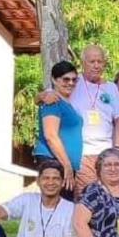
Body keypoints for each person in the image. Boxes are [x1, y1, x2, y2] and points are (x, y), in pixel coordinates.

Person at [39, 46, 119, 197]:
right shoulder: (73, 82)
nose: (96, 65)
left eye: (100, 61)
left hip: (107, 152)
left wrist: (118, 149)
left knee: (108, 195)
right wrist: (41, 97)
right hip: (83, 153)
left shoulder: (111, 87)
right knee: (86, 196)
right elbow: (48, 95)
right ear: (83, 62)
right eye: (92, 61)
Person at [34, 61, 84, 196]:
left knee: (64, 209)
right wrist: (66, 165)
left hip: (65, 164)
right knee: (56, 207)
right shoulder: (52, 102)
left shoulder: (66, 102)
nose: (71, 83)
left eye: (74, 80)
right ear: (54, 80)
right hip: (54, 161)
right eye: (66, 79)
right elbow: (50, 135)